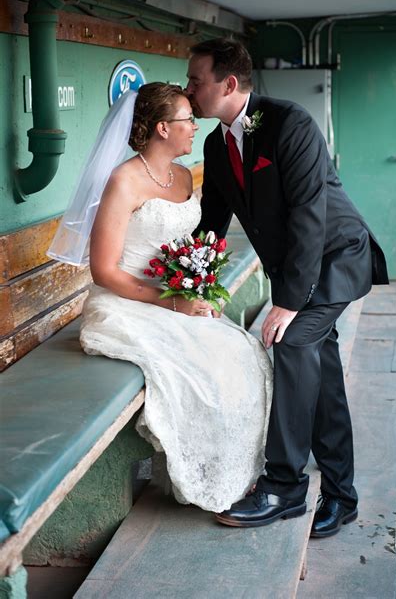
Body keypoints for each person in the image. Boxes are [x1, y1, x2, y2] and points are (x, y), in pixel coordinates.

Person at [185, 39, 389, 536]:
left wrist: (287, 304)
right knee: (322, 374)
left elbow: (307, 216)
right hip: (298, 268)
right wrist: (195, 283)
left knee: (293, 342)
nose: (188, 89)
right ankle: (341, 494)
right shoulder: (216, 144)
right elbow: (212, 221)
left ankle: (284, 487)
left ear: (229, 84)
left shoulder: (289, 123)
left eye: (196, 80)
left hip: (336, 257)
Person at [48, 83, 273, 513]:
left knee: (245, 354)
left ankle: (239, 473)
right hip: (128, 305)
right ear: (162, 128)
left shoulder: (185, 175)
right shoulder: (123, 182)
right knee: (200, 373)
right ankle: (204, 477)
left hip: (175, 297)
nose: (195, 126)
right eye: (188, 119)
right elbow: (105, 270)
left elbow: (187, 246)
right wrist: (173, 302)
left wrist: (199, 287)